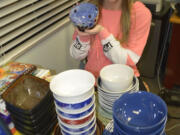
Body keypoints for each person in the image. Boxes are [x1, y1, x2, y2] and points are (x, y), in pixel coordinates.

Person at [70, 0, 152, 90]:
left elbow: (129, 61)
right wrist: (83, 36)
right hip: (93, 81)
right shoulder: (88, 9)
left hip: (123, 82)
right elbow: (76, 55)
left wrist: (102, 32)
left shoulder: (139, 13)